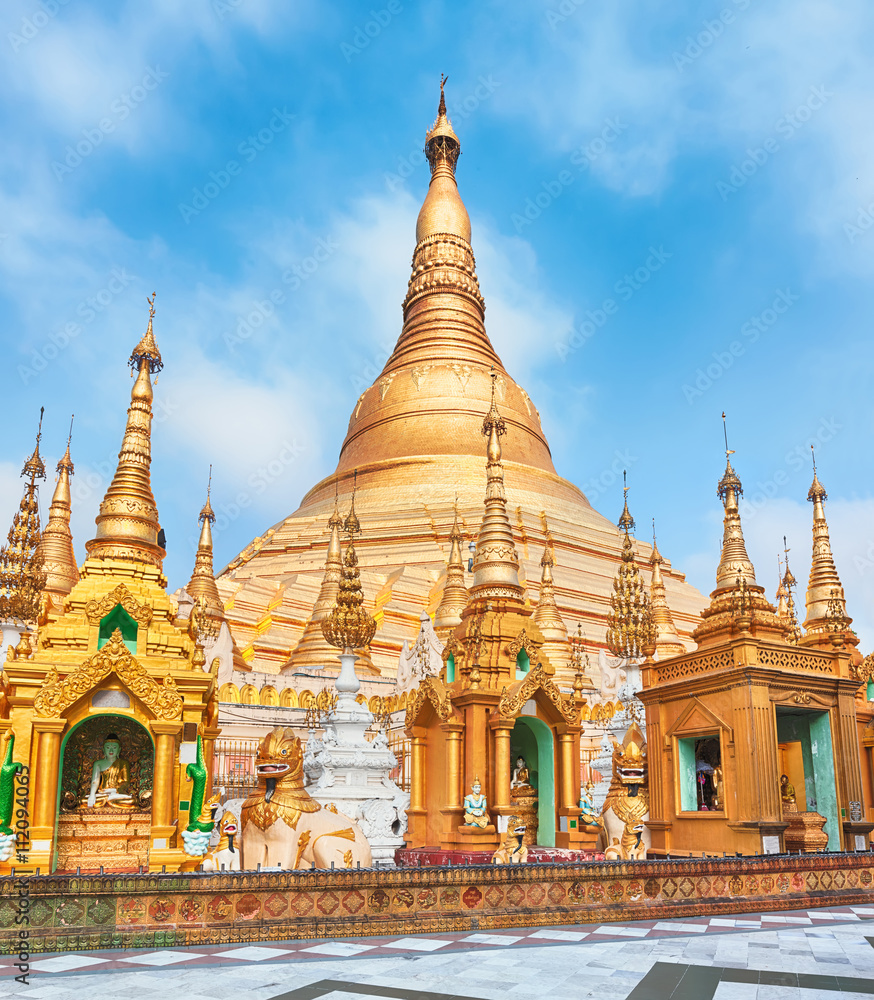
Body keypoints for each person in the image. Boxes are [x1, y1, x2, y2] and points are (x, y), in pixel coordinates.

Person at [85, 734, 135, 808]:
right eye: (108, 747)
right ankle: (108, 802)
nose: (111, 750)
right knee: (82, 801)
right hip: (102, 793)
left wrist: (116, 790)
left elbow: (126, 782)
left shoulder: (123, 763)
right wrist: (92, 795)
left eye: (114, 748)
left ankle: (107, 802)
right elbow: (95, 781)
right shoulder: (98, 763)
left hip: (116, 794)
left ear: (119, 749)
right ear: (103, 749)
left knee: (132, 802)